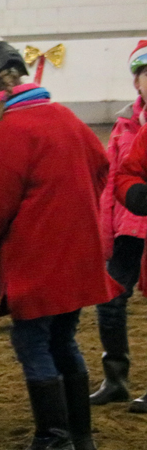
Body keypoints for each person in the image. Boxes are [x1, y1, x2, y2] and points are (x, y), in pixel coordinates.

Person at [0, 26, 117, 450]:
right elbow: (102, 168)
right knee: (64, 340)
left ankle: (53, 438)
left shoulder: (7, 130)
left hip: (38, 257)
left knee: (33, 342)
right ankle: (81, 436)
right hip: (78, 251)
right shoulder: (66, 117)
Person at [92, 40, 147, 409]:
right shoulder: (125, 124)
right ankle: (116, 378)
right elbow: (113, 179)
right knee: (109, 300)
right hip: (129, 225)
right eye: (144, 74)